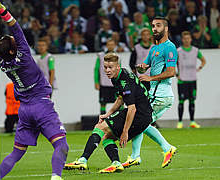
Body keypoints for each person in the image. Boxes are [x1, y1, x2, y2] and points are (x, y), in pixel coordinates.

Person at [0, 1, 68, 180]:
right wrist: (2, 10)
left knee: (16, 153)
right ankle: (56, 177)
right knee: (61, 146)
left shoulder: (0, 60)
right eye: (11, 40)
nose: (13, 38)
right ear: (11, 50)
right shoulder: (23, 54)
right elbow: (16, 27)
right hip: (41, 105)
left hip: (24, 110)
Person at [65, 52, 152, 173]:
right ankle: (116, 163)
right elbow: (121, 98)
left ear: (117, 67)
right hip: (143, 115)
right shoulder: (119, 75)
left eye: (110, 67)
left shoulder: (123, 81)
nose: (107, 70)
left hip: (139, 115)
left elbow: (132, 108)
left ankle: (83, 160)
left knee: (100, 127)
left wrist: (125, 132)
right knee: (106, 136)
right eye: (105, 67)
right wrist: (108, 114)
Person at [122, 16, 177, 169]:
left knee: (139, 120)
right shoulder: (153, 49)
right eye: (153, 26)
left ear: (165, 29)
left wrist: (150, 77)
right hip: (155, 94)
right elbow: (145, 66)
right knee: (140, 122)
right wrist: (141, 67)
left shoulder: (169, 47)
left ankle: (166, 148)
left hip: (161, 95)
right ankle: (136, 156)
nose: (154, 29)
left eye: (158, 25)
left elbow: (171, 72)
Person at [176, 31, 206, 129]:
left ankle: (192, 121)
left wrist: (200, 68)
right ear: (182, 39)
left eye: (188, 38)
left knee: (192, 101)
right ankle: (180, 122)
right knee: (181, 101)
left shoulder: (195, 50)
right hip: (182, 80)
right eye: (185, 38)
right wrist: (176, 74)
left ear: (191, 39)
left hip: (192, 79)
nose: (186, 40)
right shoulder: (178, 51)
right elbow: (171, 63)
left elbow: (203, 60)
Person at [94, 39, 118, 114]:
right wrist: (96, 82)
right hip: (104, 83)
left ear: (114, 46)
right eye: (109, 44)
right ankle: (103, 121)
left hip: (114, 84)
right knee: (103, 103)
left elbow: (119, 70)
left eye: (112, 44)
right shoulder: (101, 56)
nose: (110, 46)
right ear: (106, 46)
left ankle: (119, 121)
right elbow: (96, 69)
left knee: (118, 102)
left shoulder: (117, 57)